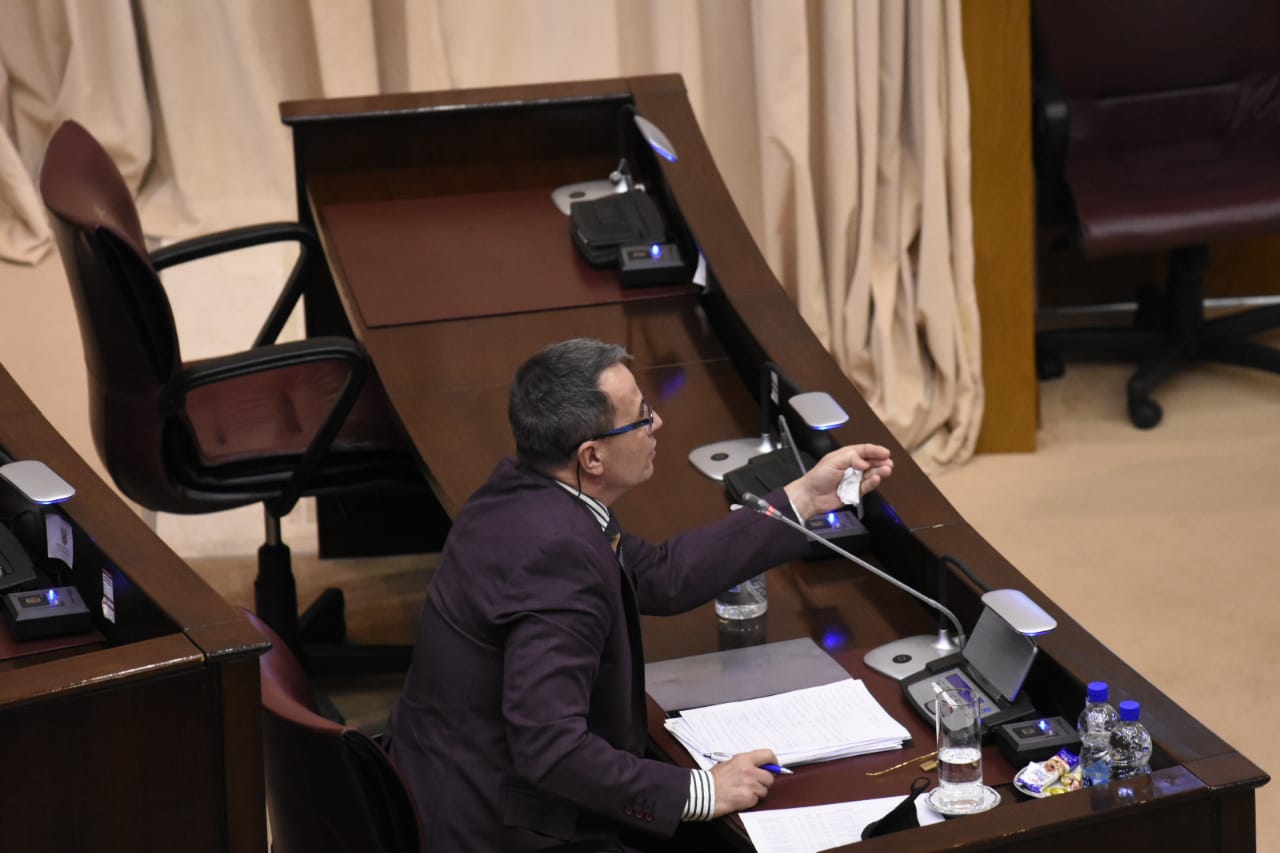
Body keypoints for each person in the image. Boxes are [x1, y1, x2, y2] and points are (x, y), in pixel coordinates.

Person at [387, 338, 894, 852]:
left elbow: (660, 573)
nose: (657, 424)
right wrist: (701, 791)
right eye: (641, 417)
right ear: (592, 456)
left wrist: (803, 497)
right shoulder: (556, 557)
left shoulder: (521, 494)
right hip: (505, 827)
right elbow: (550, 748)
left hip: (447, 776)